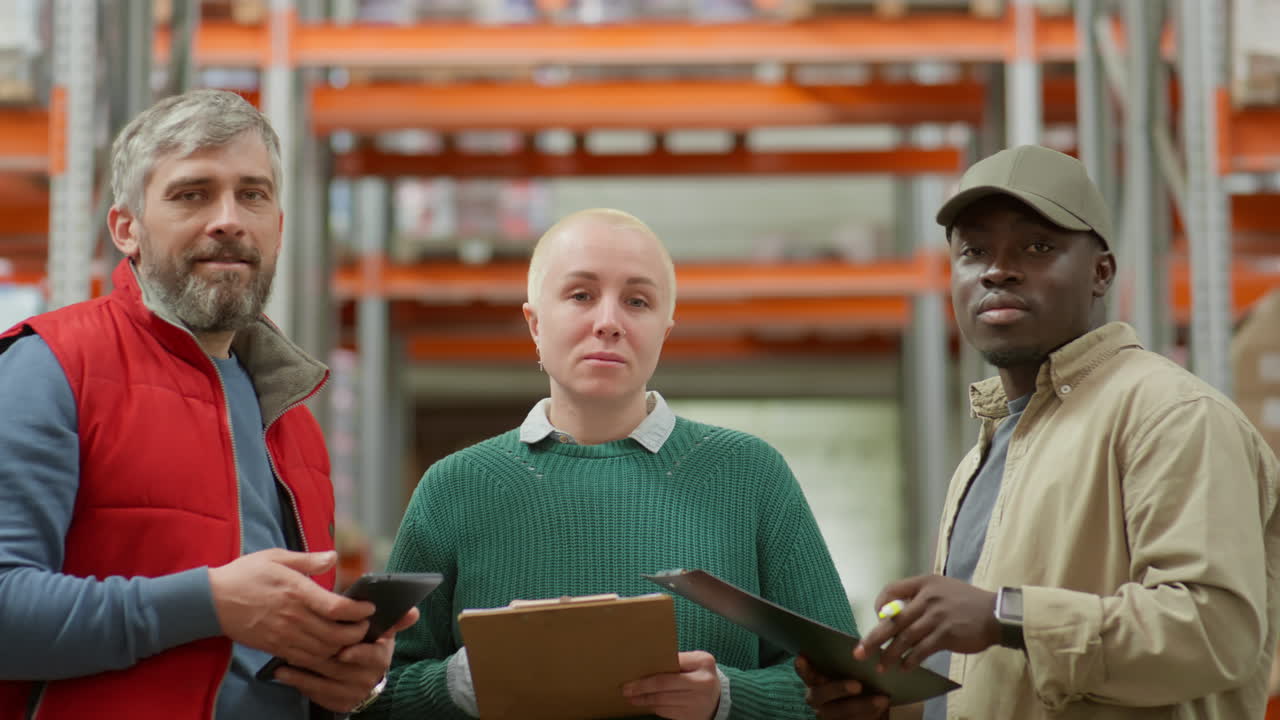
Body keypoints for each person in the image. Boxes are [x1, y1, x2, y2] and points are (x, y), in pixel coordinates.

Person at [798, 144, 1280, 719]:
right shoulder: (989, 449)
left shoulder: (1170, 415)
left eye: (1038, 247)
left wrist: (1004, 615)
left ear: (1101, 272)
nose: (997, 270)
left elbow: (1213, 634)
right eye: (974, 251)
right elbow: (1005, 685)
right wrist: (888, 709)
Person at [0, 89, 416, 719]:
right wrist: (210, 604)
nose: (229, 220)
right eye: (192, 194)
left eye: (253, 195)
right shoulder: (48, 368)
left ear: (278, 228)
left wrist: (346, 681)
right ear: (127, 229)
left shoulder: (293, 421)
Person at [358, 208, 855, 720]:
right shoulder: (454, 487)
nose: (609, 323)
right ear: (535, 323)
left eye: (637, 301)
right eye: (581, 295)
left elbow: (847, 693)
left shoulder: (750, 475)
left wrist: (727, 698)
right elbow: (369, 696)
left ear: (664, 331)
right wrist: (461, 683)